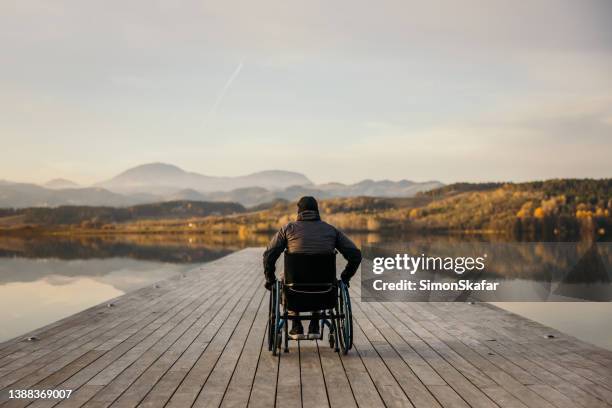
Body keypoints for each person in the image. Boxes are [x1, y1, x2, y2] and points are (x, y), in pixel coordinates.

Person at [263, 196, 362, 336]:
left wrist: (270, 279)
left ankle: (296, 324)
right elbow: (355, 255)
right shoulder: (331, 231)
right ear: (317, 211)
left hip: (294, 291)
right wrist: (345, 278)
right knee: (318, 278)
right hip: (325, 291)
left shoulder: (287, 229)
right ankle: (315, 323)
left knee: (284, 279)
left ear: (299, 211)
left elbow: (269, 254)